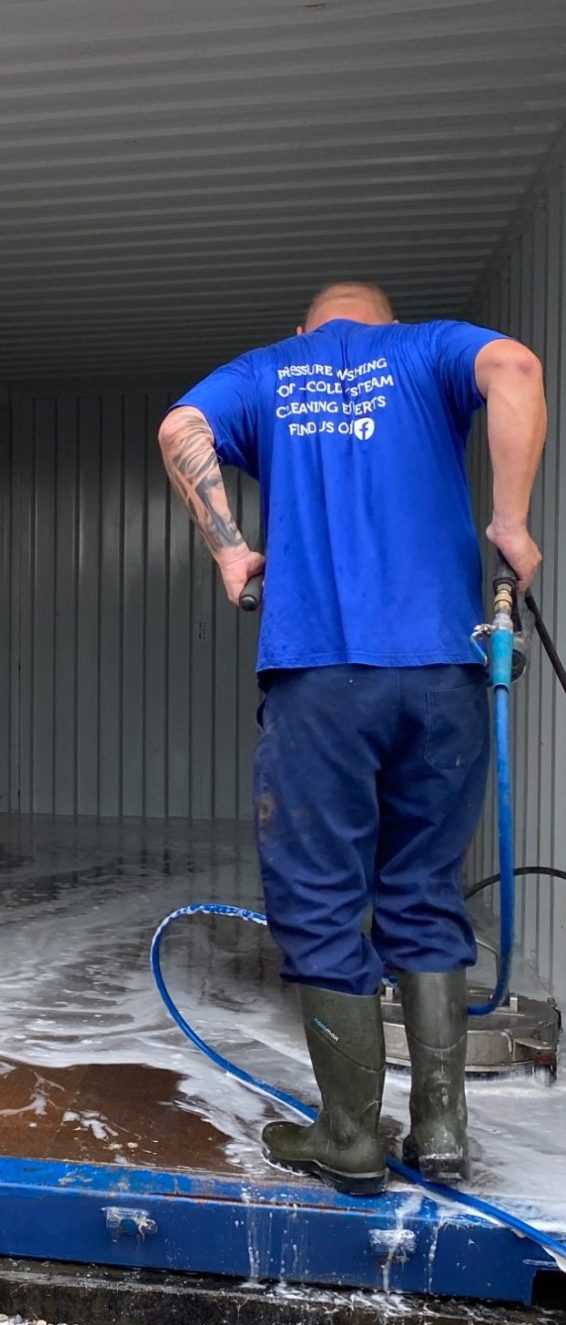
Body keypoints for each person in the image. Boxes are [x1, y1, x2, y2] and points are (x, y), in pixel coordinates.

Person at [159, 281, 546, 1195]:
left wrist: (227, 548)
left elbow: (182, 429)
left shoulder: (268, 372)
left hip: (323, 675)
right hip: (448, 672)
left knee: (323, 896)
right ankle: (442, 1134)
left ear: (307, 328)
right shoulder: (432, 350)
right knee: (421, 888)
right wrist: (511, 521)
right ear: (384, 319)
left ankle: (349, 1136)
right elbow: (518, 368)